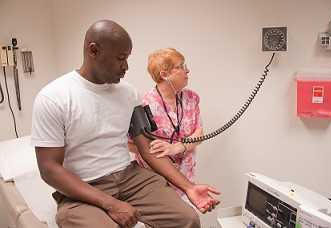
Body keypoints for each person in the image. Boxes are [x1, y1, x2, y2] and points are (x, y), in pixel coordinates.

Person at [31, 19, 220, 228]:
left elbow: (148, 148)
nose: (126, 67)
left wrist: (189, 187)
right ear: (93, 51)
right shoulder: (54, 97)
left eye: (127, 58)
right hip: (84, 188)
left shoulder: (129, 93)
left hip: (131, 178)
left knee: (187, 219)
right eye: (120, 58)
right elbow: (49, 168)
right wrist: (111, 204)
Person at [129, 48, 204, 202]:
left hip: (187, 177)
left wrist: (177, 147)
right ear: (164, 74)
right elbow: (130, 144)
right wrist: (158, 151)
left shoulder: (191, 98)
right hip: (155, 181)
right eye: (181, 66)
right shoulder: (143, 105)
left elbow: (199, 134)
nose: (187, 70)